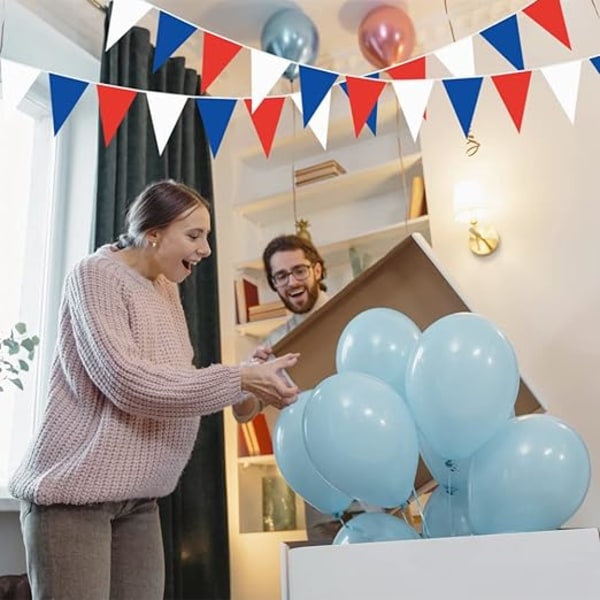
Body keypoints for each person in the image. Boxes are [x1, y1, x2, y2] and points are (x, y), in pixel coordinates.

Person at [9, 180, 299, 600]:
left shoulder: (166, 288)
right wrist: (236, 378)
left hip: (140, 499)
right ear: (153, 233)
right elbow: (129, 383)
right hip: (73, 497)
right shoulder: (94, 276)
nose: (205, 250)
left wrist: (247, 383)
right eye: (194, 235)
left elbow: (174, 379)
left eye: (207, 237)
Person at [249, 234, 355, 542]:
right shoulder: (273, 346)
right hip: (319, 484)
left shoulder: (352, 316)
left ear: (318, 270)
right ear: (273, 284)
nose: (292, 282)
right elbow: (244, 412)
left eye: (299, 270)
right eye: (281, 276)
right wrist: (247, 375)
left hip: (376, 469)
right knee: (329, 583)